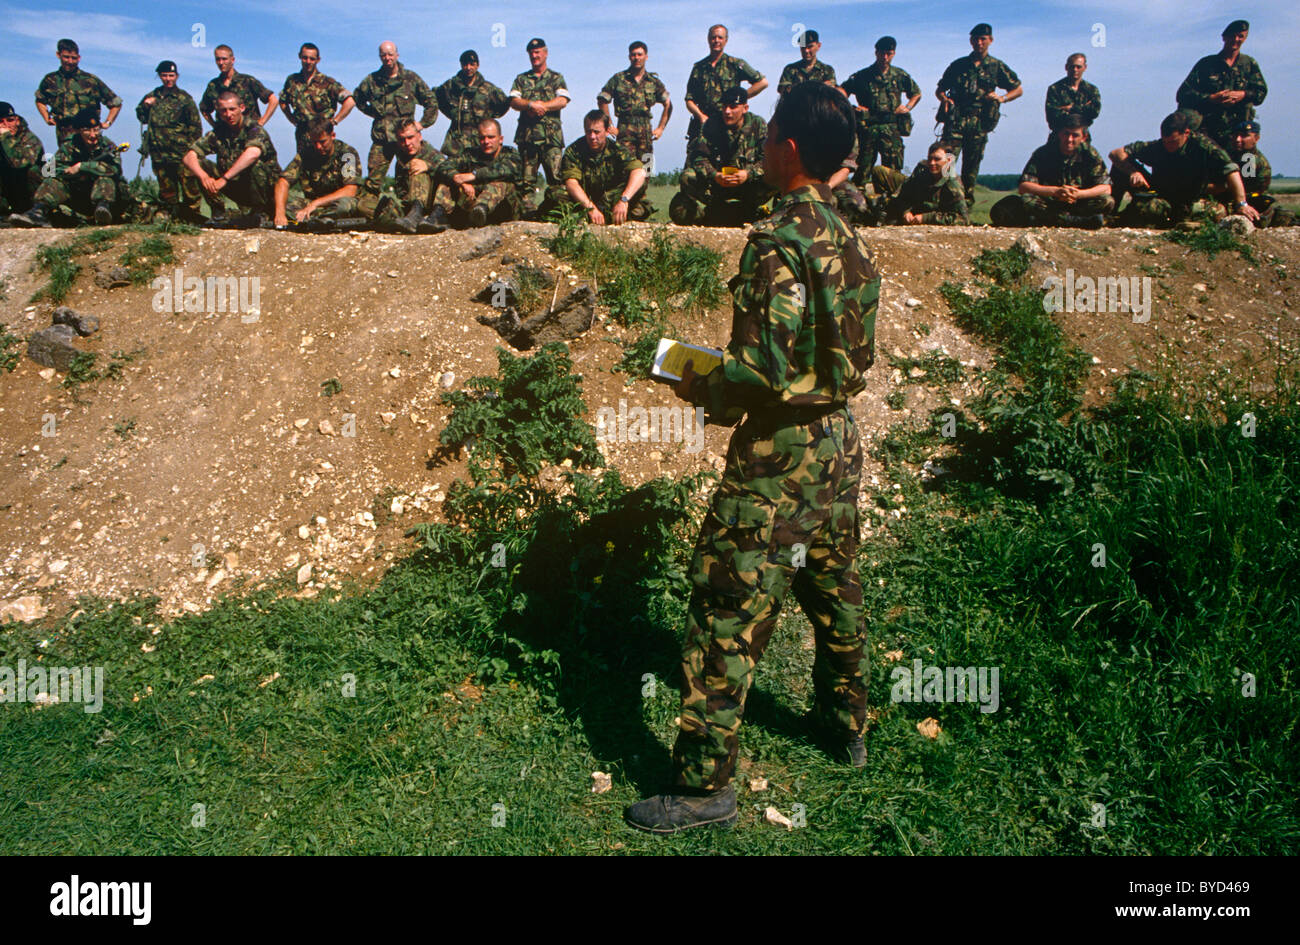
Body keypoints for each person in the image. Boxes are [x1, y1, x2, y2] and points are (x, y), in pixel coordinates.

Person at [625, 81, 879, 834]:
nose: (761, 145)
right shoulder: (851, 236)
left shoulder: (777, 238)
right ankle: (847, 724)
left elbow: (761, 371)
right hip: (839, 439)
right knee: (835, 585)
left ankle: (705, 788)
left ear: (789, 150)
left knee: (724, 607)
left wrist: (696, 376)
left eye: (768, 135)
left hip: (779, 455)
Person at [1109, 110, 1257, 228]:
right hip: (1161, 193)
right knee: (1121, 170)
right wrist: (1133, 172)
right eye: (1165, 141)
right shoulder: (1158, 147)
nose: (1168, 146)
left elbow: (1231, 169)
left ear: (1186, 133)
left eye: (1173, 142)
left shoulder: (1203, 146)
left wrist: (1241, 203)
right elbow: (1116, 154)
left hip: (1190, 197)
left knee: (1215, 212)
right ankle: (1111, 215)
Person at [936, 23, 1022, 204]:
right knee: (947, 161)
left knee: (971, 167)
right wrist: (944, 100)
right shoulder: (959, 65)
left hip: (979, 122)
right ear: (970, 41)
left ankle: (965, 205)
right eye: (975, 39)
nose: (979, 42)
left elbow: (1018, 89)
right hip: (956, 119)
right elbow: (940, 89)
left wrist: (1002, 98)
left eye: (983, 39)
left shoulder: (996, 66)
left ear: (990, 41)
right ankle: (944, 199)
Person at [670, 87, 774, 227]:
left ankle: (772, 215)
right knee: (687, 176)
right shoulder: (712, 124)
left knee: (778, 177)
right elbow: (699, 158)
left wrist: (748, 174)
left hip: (748, 187)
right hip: (718, 186)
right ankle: (712, 214)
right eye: (724, 106)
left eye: (733, 107)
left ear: (745, 108)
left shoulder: (758, 125)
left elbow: (768, 159)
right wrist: (715, 175)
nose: (727, 111)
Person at [990, 114, 1112, 228]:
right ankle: (1075, 221)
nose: (1069, 139)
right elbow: (1024, 187)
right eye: (1066, 134)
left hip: (1079, 202)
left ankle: (1055, 220)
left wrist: (1079, 194)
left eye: (1075, 135)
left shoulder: (1090, 154)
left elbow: (1106, 187)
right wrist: (1055, 191)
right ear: (1059, 134)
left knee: (1107, 201)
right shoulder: (1043, 153)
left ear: (1083, 137)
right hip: (1051, 203)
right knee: (1026, 200)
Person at [183, 90, 281, 227]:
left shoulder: (254, 129)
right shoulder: (219, 131)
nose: (228, 115)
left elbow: (253, 153)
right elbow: (189, 157)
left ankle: (262, 211)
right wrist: (204, 177)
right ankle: (218, 212)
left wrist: (224, 179)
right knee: (200, 164)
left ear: (242, 108)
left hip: (267, 190)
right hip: (237, 187)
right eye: (223, 111)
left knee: (255, 165)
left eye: (232, 109)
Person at [19, 108, 131, 227]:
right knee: (53, 182)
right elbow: (52, 169)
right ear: (78, 131)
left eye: (96, 130)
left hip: (107, 197)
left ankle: (103, 211)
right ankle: (38, 211)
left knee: (105, 179)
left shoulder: (108, 146)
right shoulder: (69, 147)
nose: (93, 135)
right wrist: (69, 173)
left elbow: (114, 170)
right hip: (77, 194)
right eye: (87, 130)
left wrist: (82, 167)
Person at [353, 42, 439, 182]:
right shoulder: (371, 81)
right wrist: (374, 112)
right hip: (382, 140)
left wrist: (422, 124)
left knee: (410, 179)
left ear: (397, 55)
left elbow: (431, 101)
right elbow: (357, 98)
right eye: (383, 55)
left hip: (407, 142)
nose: (387, 58)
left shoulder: (411, 79)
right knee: (373, 183)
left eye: (390, 54)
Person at [1176, 20, 1266, 150]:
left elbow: (1261, 93)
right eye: (1232, 36)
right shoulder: (1206, 64)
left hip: (1238, 133)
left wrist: (1243, 94)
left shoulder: (1249, 64)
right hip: (1208, 129)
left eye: (1240, 36)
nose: (1236, 39)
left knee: (1249, 163)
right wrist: (1211, 98)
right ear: (1224, 37)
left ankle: (1247, 170)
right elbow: (1183, 95)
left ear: (1245, 39)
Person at [839, 36, 921, 179]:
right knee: (862, 169)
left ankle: (890, 200)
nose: (884, 57)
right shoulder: (862, 76)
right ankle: (860, 198)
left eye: (888, 53)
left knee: (892, 173)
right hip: (867, 127)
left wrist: (907, 107)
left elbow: (916, 93)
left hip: (891, 128)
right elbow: (841, 91)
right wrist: (851, 108)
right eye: (881, 53)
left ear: (893, 53)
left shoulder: (899, 75)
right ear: (876, 53)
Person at [425, 118, 524, 231]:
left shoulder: (511, 155)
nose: (486, 141)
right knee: (448, 181)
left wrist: (474, 175)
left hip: (504, 209)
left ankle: (480, 211)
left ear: (500, 139)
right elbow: (444, 166)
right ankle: (438, 215)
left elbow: (505, 170)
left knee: (499, 183)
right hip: (472, 203)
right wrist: (459, 180)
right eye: (482, 138)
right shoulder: (471, 154)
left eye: (491, 137)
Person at [136, 60, 204, 223]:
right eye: (164, 75)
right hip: (159, 153)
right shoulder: (152, 96)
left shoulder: (184, 98)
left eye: (171, 75)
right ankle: (170, 221)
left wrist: (192, 152)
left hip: (181, 154)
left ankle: (192, 219)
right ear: (159, 76)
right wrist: (146, 106)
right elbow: (141, 117)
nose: (168, 79)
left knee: (190, 190)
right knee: (167, 191)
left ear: (177, 76)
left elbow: (195, 127)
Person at [509, 38, 570, 215]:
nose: (534, 56)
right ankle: (527, 217)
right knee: (525, 183)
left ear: (545, 53)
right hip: (528, 139)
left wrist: (543, 106)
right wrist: (529, 105)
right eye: (531, 53)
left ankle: (557, 214)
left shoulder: (556, 78)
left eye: (538, 52)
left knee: (557, 180)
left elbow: (563, 100)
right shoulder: (521, 79)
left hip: (552, 139)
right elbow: (513, 101)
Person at [560, 110, 650, 224]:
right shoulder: (574, 150)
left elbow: (639, 171)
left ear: (607, 131)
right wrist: (590, 208)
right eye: (588, 132)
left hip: (611, 198)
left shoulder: (617, 149)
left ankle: (601, 215)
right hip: (583, 199)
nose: (592, 136)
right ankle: (591, 216)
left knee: (638, 190)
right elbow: (571, 183)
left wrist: (624, 200)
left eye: (597, 132)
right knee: (556, 193)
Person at [683, 25, 767, 144]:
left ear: (726, 40)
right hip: (703, 124)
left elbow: (762, 83)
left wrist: (739, 98)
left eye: (720, 37)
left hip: (728, 123)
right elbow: (689, 100)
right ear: (708, 39)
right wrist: (701, 116)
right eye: (713, 37)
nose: (716, 40)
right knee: (697, 158)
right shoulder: (699, 68)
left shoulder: (735, 64)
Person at [273, 118, 362, 229]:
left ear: (332, 135)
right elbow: (283, 182)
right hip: (311, 204)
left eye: (322, 142)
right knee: (280, 202)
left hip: (334, 202)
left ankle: (310, 219)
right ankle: (319, 220)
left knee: (345, 206)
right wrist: (280, 213)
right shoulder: (306, 153)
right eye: (314, 142)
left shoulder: (346, 154)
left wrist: (315, 204)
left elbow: (350, 190)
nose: (318, 147)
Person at [360, 118, 446, 233]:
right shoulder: (402, 157)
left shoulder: (433, 154)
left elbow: (450, 172)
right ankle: (398, 221)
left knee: (417, 170)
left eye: (410, 137)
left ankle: (418, 218)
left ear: (419, 136)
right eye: (402, 140)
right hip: (406, 206)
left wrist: (428, 167)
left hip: (429, 207)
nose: (407, 143)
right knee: (364, 205)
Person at [597, 42, 671, 170]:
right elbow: (602, 100)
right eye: (633, 55)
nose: (637, 58)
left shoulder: (653, 82)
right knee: (624, 166)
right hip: (625, 128)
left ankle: (644, 190)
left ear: (646, 57)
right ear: (629, 57)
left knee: (646, 168)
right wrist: (608, 125)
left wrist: (661, 128)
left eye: (640, 54)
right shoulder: (619, 79)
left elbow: (668, 104)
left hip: (646, 130)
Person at [34, 39, 122, 146]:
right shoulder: (50, 80)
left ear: (79, 58)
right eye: (66, 57)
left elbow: (115, 103)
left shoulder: (90, 80)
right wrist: (47, 118)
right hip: (64, 135)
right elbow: (40, 100)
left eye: (74, 58)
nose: (70, 61)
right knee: (66, 162)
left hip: (90, 135)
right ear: (58, 55)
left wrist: (108, 122)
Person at [278, 43, 355, 150]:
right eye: (305, 58)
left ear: (318, 60)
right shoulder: (292, 81)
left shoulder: (328, 83)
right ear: (299, 56)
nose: (308, 62)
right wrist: (291, 118)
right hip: (302, 133)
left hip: (322, 136)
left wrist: (334, 121)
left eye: (312, 59)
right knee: (303, 165)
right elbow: (282, 101)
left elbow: (350, 102)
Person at [436, 50, 510, 159]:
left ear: (477, 65)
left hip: (480, 143)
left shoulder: (488, 88)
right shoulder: (451, 86)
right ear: (461, 65)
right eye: (465, 64)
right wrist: (452, 113)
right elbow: (436, 98)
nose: (468, 67)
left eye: (472, 64)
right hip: (456, 143)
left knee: (480, 173)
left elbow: (504, 103)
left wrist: (489, 118)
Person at [1225, 120, 1292, 228]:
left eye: (1244, 136)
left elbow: (1242, 188)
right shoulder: (1236, 155)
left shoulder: (1249, 160)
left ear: (1256, 139)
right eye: (1235, 135)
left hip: (1247, 201)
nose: (1238, 140)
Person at [884, 142, 969, 225]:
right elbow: (903, 194)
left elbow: (963, 219)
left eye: (937, 159)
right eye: (930, 158)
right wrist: (906, 212)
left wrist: (927, 218)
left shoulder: (953, 184)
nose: (932, 163)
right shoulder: (923, 173)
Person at [200, 45, 277, 128]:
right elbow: (204, 109)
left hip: (249, 134)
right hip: (225, 135)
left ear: (232, 60)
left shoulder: (247, 81)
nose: (221, 63)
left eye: (224, 59)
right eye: (218, 59)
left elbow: (273, 100)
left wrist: (260, 123)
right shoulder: (213, 85)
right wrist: (215, 126)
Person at [0, 102, 46, 219]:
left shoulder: (29, 139)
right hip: (7, 189)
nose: (6, 125)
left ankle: (38, 211)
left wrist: (6, 138)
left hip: (28, 189)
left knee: (33, 171)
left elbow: (18, 163)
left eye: (10, 120)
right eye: (1, 122)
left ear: (17, 120)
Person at [1044, 54, 1100, 133]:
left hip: (1082, 137)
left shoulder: (1091, 90)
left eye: (1078, 67)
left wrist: (1070, 109)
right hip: (1059, 136)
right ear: (1066, 67)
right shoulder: (1055, 89)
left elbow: (1094, 112)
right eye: (1072, 67)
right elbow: (1052, 115)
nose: (1075, 70)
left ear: (1085, 68)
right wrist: (1082, 109)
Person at [776, 29, 836, 97]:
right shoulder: (790, 69)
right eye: (803, 47)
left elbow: (831, 90)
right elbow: (783, 89)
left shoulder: (827, 70)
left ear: (818, 46)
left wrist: (797, 89)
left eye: (810, 47)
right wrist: (818, 88)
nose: (806, 51)